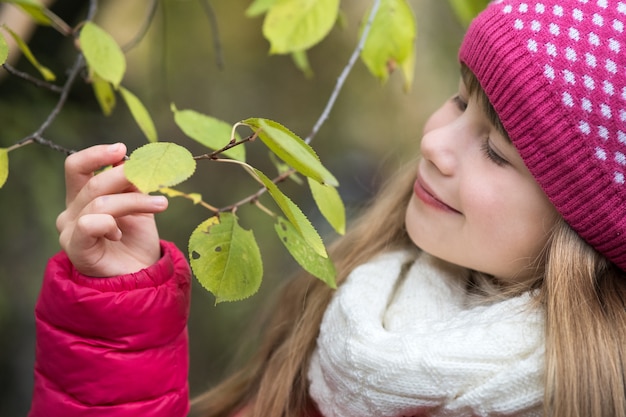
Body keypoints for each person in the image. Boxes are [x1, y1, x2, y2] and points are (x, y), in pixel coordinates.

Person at [28, 0, 626, 416]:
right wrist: (119, 315)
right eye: (457, 98)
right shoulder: (351, 308)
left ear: (586, 223)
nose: (434, 144)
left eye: (496, 152)